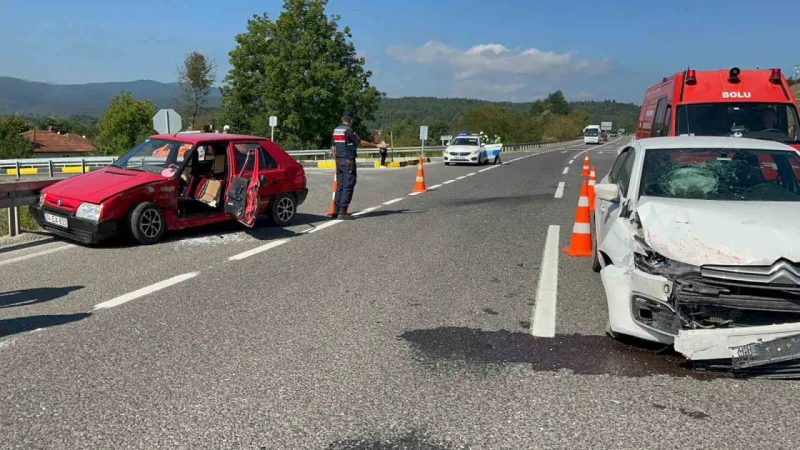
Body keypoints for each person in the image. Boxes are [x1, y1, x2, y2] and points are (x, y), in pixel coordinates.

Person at [332, 110, 388, 219]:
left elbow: (333, 148)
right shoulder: (349, 131)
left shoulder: (336, 131)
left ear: (342, 119)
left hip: (339, 161)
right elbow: (361, 143)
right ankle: (342, 212)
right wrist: (378, 146)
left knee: (341, 185)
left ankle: (336, 211)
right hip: (348, 160)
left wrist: (337, 160)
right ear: (351, 120)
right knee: (349, 184)